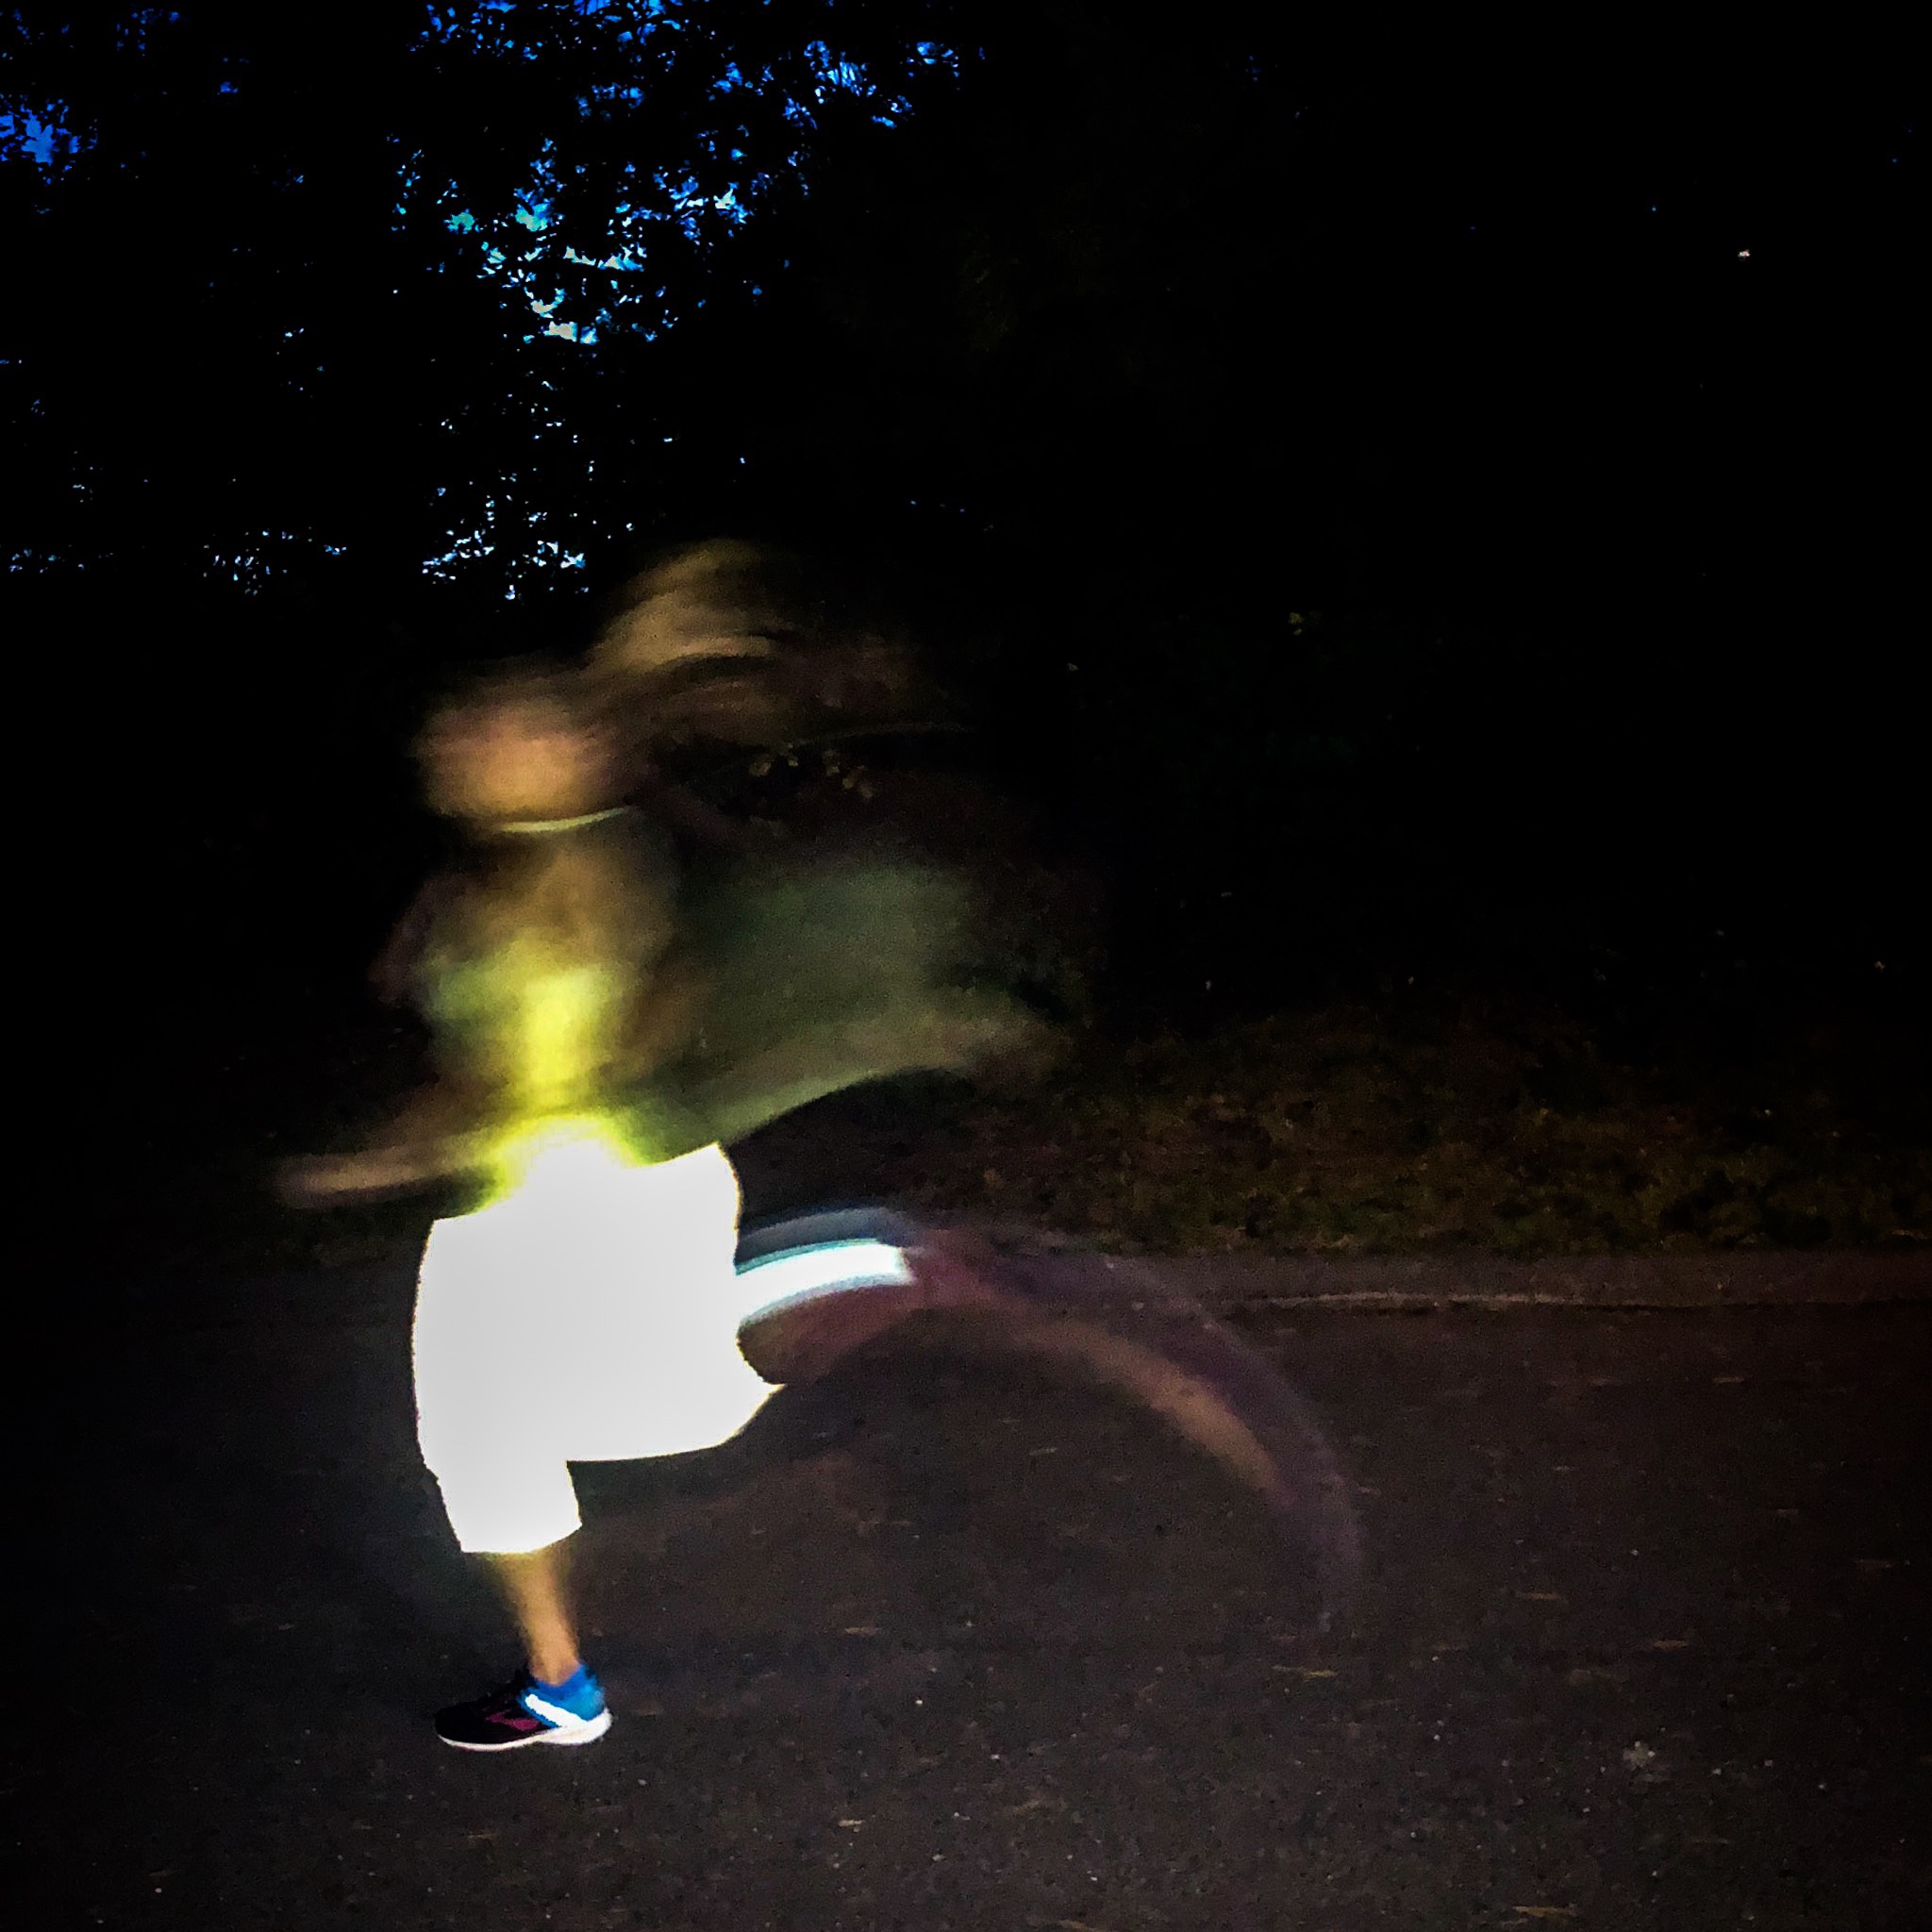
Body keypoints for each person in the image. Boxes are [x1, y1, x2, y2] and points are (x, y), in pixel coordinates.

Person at [285, 660, 778, 1750]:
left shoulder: (575, 869)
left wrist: (388, 1152)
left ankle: (827, 1284)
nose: (451, 744)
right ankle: (559, 1680)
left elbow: (540, 1051)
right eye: (454, 727)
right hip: (596, 1178)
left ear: (574, 751)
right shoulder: (530, 862)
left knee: (507, 1425)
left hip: (566, 1191)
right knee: (522, 1421)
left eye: (490, 728)